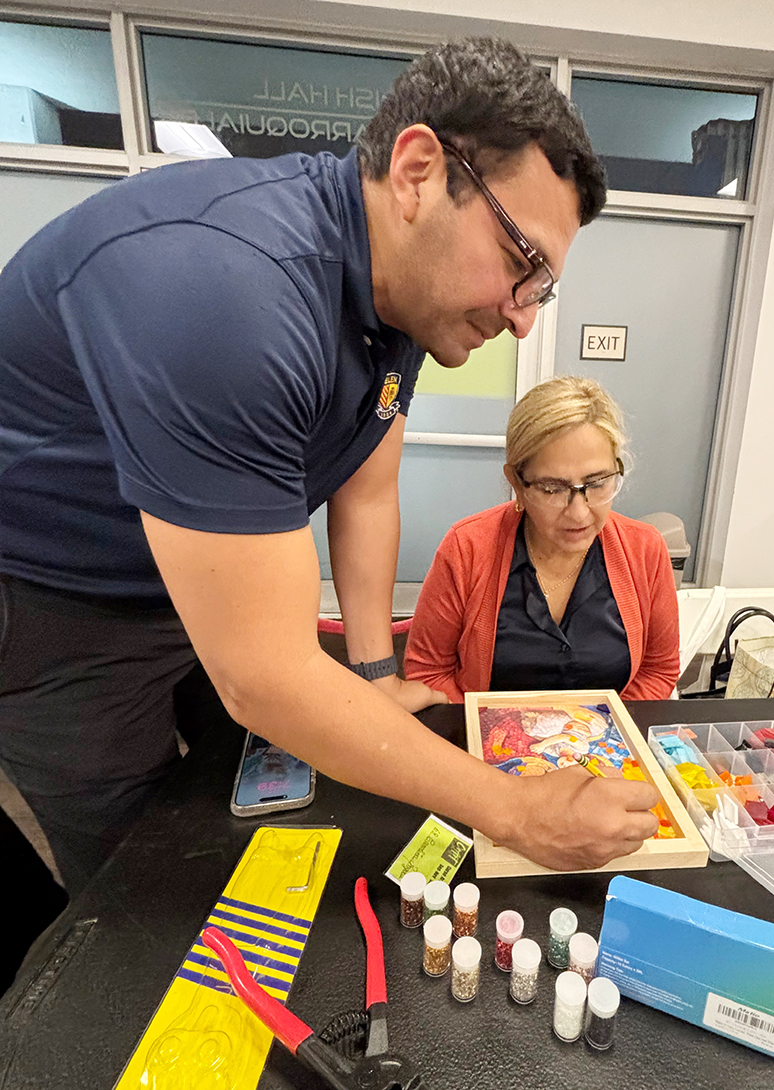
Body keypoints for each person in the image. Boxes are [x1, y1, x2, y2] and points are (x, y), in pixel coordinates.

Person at [0, 37, 660, 894]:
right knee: (141, 877)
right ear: (420, 171)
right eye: (520, 261)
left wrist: (376, 674)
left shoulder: (401, 300)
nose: (524, 317)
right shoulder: (229, 291)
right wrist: (515, 811)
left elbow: (367, 487)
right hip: (54, 602)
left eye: (541, 288)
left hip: (185, 576)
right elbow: (265, 676)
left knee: (279, 792)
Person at [405, 377, 680, 701]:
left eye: (596, 483)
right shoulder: (468, 548)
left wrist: (600, 735)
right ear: (517, 484)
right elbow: (429, 671)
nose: (579, 513)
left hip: (605, 746)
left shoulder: (645, 549)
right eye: (552, 489)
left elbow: (658, 668)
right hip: (486, 746)